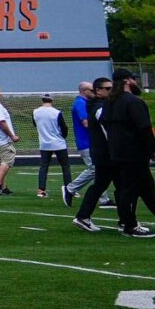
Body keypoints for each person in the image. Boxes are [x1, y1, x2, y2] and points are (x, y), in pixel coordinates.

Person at [103, 70, 155, 238]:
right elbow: (144, 128)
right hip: (134, 152)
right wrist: (154, 149)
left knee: (146, 187)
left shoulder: (110, 102)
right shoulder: (133, 102)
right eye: (133, 79)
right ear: (127, 81)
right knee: (128, 190)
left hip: (117, 151)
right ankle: (129, 224)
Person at [69, 78, 115, 231]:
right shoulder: (85, 104)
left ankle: (85, 213)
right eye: (107, 88)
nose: (111, 91)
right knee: (96, 173)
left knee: (100, 181)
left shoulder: (91, 104)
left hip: (96, 147)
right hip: (94, 147)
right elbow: (88, 123)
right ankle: (71, 189)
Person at [61, 80, 99, 211]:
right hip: (86, 142)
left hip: (91, 142)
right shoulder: (80, 103)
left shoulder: (85, 103)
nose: (94, 93)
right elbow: (86, 123)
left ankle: (104, 199)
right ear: (84, 91)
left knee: (99, 170)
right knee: (95, 168)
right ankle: (71, 188)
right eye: (91, 90)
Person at [30, 93, 72, 198]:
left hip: (44, 143)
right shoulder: (56, 112)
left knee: (44, 166)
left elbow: (35, 124)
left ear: (42, 100)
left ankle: (41, 190)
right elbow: (64, 127)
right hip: (59, 143)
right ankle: (69, 189)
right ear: (52, 101)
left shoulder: (35, 112)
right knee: (65, 167)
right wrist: (63, 137)